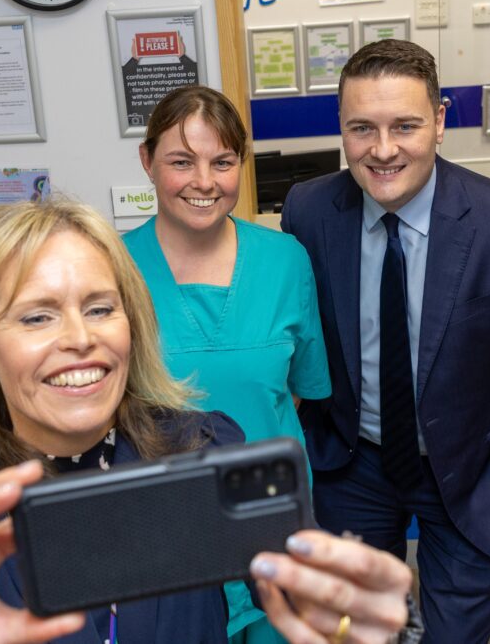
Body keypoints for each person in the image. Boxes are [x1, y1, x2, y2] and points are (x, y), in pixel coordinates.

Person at [0, 199, 415, 644]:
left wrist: (350, 620)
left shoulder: (198, 450)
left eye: (100, 308)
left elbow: (298, 595)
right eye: (37, 317)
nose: (80, 339)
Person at [281, 40, 490, 643]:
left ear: (442, 121)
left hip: (475, 471)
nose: (382, 149)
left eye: (405, 125)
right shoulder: (309, 209)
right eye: (361, 128)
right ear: (341, 130)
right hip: (354, 466)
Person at [123, 86, 332, 643]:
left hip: (273, 520)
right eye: (181, 161)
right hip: (164, 536)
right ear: (147, 161)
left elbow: (299, 389)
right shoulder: (112, 269)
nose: (204, 181)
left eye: (222, 161)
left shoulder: (286, 260)